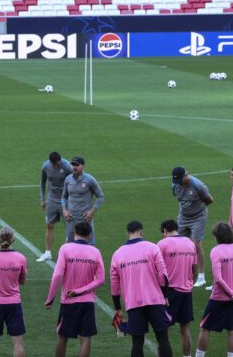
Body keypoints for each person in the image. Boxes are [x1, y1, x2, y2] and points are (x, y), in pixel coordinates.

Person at [111, 221, 173, 357]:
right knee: (163, 339)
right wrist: (164, 296)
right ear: (142, 232)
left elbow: (114, 285)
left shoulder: (117, 254)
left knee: (137, 342)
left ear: (127, 233)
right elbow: (163, 276)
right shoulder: (152, 248)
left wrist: (117, 308)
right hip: (155, 300)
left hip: (133, 303)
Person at [45, 222, 104, 357]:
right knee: (85, 338)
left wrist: (50, 299)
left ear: (74, 233)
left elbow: (57, 275)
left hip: (69, 302)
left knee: (62, 337)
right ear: (89, 236)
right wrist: (82, 290)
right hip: (88, 302)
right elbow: (100, 279)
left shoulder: (65, 249)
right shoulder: (95, 252)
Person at [195, 222, 233, 357]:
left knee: (205, 328)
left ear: (218, 237)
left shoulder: (216, 251)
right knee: (232, 330)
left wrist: (231, 293)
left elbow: (218, 278)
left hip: (219, 298)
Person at [0, 227, 27, 357]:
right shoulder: (20, 258)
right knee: (18, 344)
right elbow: (22, 280)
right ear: (13, 240)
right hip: (14, 303)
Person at [158, 219, 197, 357]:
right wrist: (190, 282)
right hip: (186, 291)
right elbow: (195, 269)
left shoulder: (162, 244)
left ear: (164, 231)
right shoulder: (190, 243)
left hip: (169, 292)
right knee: (185, 329)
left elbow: (158, 271)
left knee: (164, 329)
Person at [171, 166, 214, 287]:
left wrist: (198, 208)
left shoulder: (198, 185)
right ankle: (183, 272)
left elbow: (210, 199)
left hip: (198, 217)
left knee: (196, 244)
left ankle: (201, 276)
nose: (179, 183)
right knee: (178, 244)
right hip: (183, 217)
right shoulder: (175, 185)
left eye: (181, 180)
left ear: (186, 176)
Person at [37, 151, 72, 262]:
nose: (55, 166)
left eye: (56, 163)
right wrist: (43, 199)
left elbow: (73, 182)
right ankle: (47, 253)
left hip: (65, 201)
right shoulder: (46, 166)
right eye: (53, 164)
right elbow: (42, 182)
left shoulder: (67, 167)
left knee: (69, 227)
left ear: (60, 160)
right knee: (49, 225)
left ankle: (68, 253)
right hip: (51, 200)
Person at [61, 156, 104, 245]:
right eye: (72, 165)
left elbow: (100, 196)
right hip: (71, 218)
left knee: (89, 244)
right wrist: (64, 210)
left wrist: (92, 211)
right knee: (70, 244)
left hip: (85, 218)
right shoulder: (68, 179)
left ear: (83, 166)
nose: (74, 167)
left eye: (77, 165)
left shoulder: (89, 179)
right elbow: (64, 197)